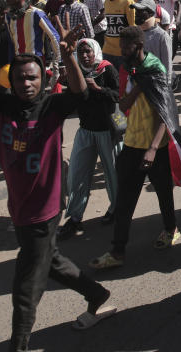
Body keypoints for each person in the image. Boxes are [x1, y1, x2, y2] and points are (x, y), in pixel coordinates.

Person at [0, 21, 116, 352]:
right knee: (51, 261)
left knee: (25, 286)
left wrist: (69, 56)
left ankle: (18, 344)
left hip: (45, 208)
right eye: (20, 78)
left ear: (45, 78)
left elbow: (81, 93)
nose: (26, 84)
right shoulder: (5, 105)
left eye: (32, 77)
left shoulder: (51, 106)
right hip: (18, 206)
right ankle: (97, 295)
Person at [90, 26, 181, 270]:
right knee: (125, 200)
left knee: (164, 192)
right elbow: (123, 103)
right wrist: (137, 83)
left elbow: (167, 115)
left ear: (138, 47)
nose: (122, 51)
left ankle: (171, 228)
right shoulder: (131, 71)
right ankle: (117, 251)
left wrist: (152, 149)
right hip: (131, 143)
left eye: (126, 47)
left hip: (155, 147)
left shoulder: (155, 70)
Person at [58, 38, 121, 239]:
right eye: (81, 52)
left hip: (107, 132)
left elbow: (118, 95)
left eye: (88, 51)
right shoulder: (76, 71)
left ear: (95, 51)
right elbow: (74, 99)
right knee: (76, 174)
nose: (85, 55)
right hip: (85, 130)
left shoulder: (107, 69)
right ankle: (75, 218)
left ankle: (116, 210)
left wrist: (99, 89)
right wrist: (65, 81)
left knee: (113, 175)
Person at [98, 0, 136, 70]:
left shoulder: (127, 1)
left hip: (122, 52)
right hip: (107, 50)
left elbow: (133, 28)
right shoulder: (106, 2)